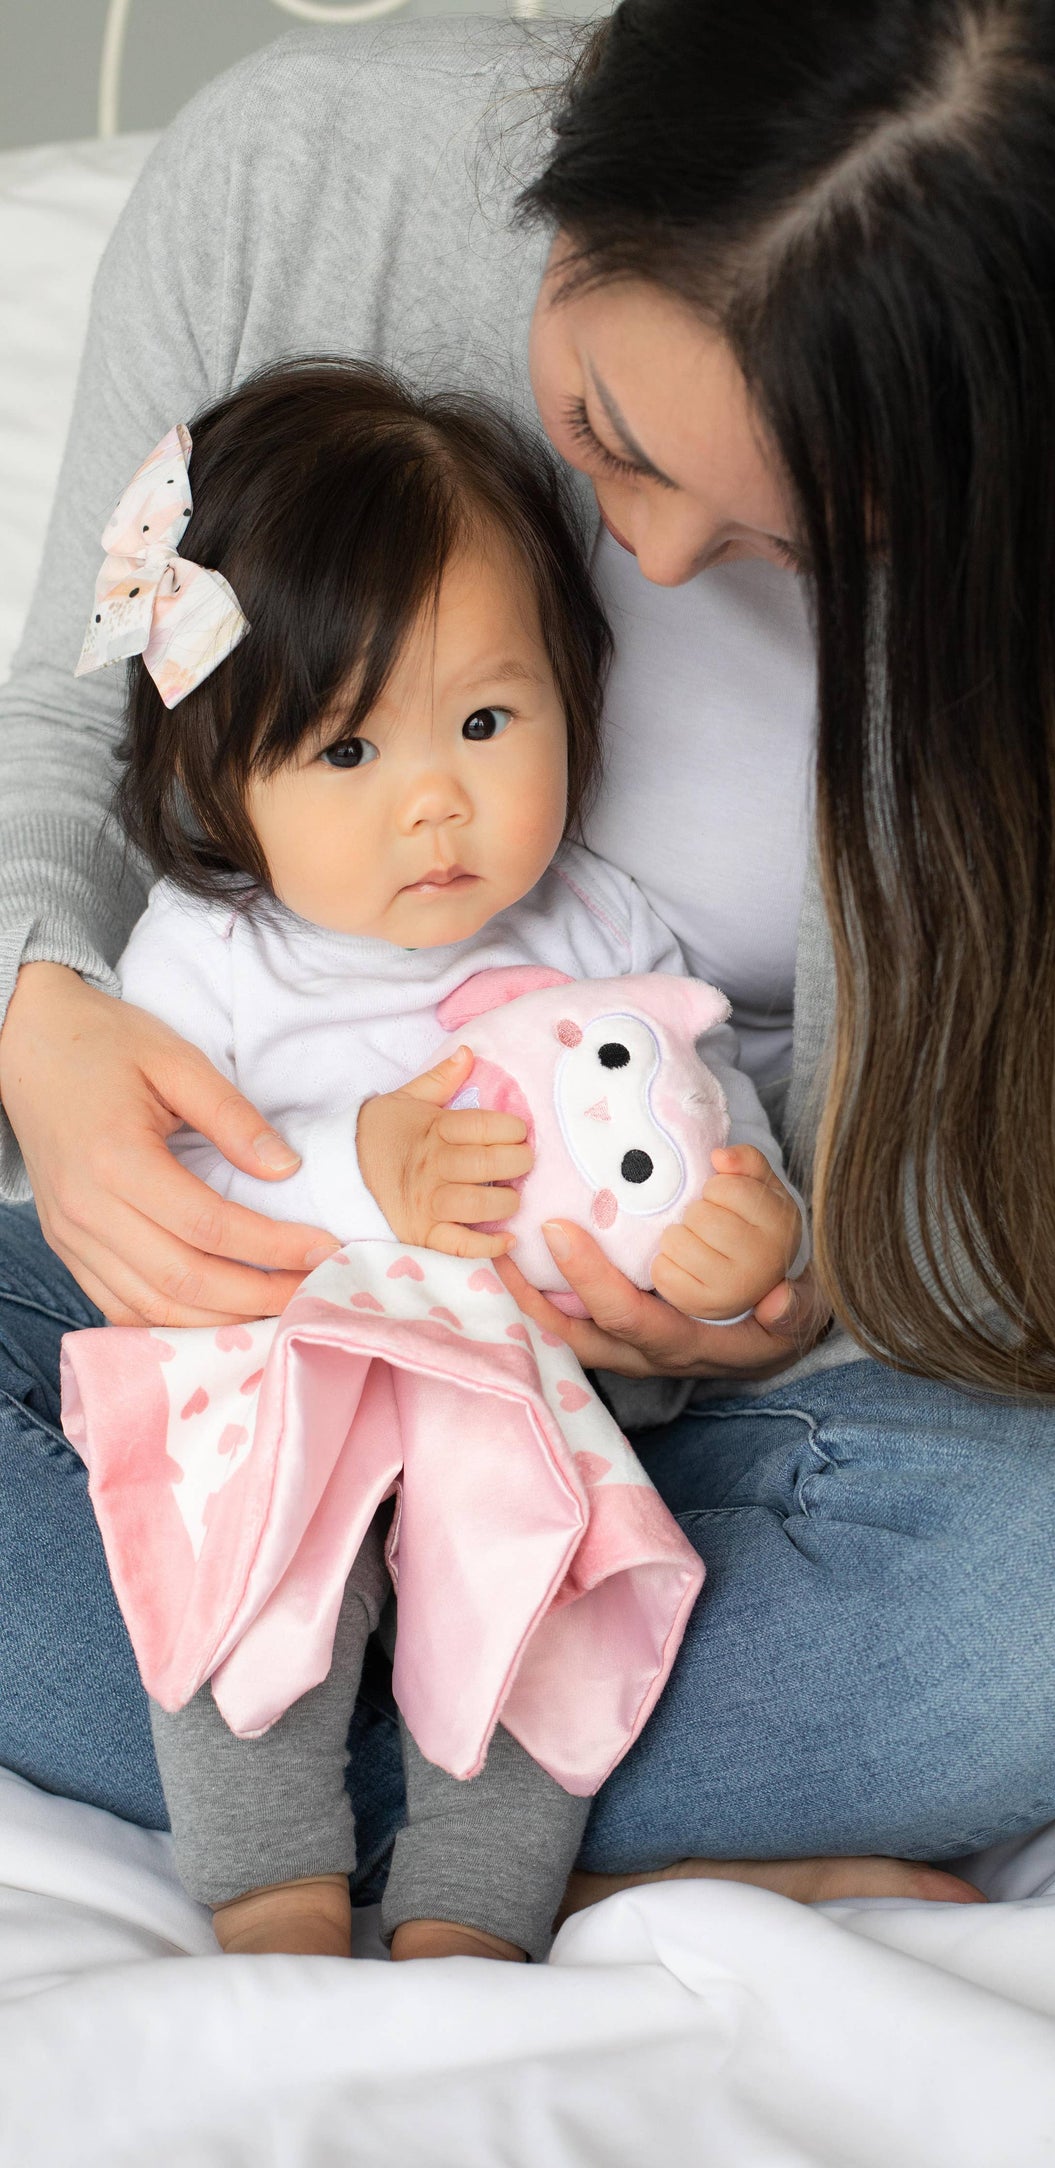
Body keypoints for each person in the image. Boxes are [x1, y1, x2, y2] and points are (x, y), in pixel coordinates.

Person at [0, 0, 1055, 1918]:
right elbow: (74, 718)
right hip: (250, 1300)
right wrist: (40, 1013)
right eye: (606, 430)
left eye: (803, 542)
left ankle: (354, 1776)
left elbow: (988, 1271)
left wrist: (766, 1300)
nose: (664, 559)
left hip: (679, 1411)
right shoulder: (297, 180)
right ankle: (557, 1815)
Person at [70, 356, 799, 1958]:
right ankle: (276, 1893)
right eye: (347, 752)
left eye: (484, 718)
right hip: (296, 1404)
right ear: (217, 773)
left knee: (541, 1596)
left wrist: (748, 1256)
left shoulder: (603, 924)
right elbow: (163, 1203)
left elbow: (693, 1130)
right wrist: (350, 1173)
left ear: (571, 691)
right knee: (246, 1583)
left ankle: (475, 1910)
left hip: (534, 1414)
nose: (437, 805)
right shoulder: (213, 957)